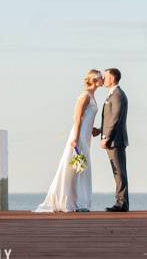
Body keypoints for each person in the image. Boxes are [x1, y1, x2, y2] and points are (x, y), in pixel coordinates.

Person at [34, 69, 103, 212]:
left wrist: (93, 130)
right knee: (77, 167)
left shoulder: (92, 96)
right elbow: (78, 118)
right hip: (79, 135)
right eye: (101, 77)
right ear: (95, 80)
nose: (103, 79)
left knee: (81, 167)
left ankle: (79, 201)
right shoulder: (84, 96)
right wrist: (76, 139)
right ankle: (74, 202)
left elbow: (88, 119)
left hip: (86, 134)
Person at [95, 67, 129, 212]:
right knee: (117, 172)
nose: (104, 78)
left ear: (113, 78)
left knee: (119, 172)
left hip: (115, 140)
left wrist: (106, 137)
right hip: (112, 139)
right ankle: (120, 201)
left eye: (106, 76)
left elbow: (115, 118)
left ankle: (122, 203)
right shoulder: (112, 95)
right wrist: (99, 131)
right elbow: (110, 118)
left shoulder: (118, 95)